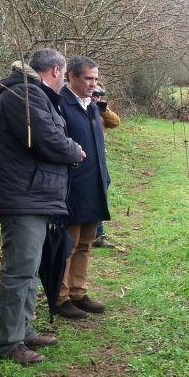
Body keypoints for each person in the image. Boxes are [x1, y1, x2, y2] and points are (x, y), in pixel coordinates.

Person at [0, 49, 85, 364]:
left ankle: (23, 331)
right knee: (19, 271)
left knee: (29, 270)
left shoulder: (29, 94)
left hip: (31, 195)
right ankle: (7, 343)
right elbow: (49, 139)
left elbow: (47, 136)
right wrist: (74, 150)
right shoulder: (23, 95)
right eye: (62, 74)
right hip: (22, 197)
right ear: (56, 70)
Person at [55, 56, 110, 319]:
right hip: (72, 186)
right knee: (69, 244)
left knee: (86, 243)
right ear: (71, 77)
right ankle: (61, 296)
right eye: (88, 78)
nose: (93, 84)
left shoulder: (91, 106)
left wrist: (104, 178)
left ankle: (79, 292)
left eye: (95, 78)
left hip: (94, 184)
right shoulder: (61, 104)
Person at [90, 84, 120, 249]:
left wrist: (101, 108)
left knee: (102, 189)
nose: (96, 96)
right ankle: (95, 234)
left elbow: (115, 122)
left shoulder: (100, 110)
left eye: (99, 93)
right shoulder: (82, 107)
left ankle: (97, 234)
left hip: (100, 159)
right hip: (86, 159)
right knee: (96, 193)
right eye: (94, 92)